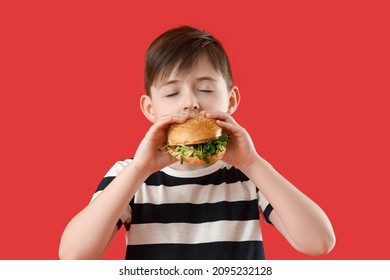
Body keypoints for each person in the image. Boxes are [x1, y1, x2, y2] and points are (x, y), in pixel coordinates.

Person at [59, 25, 336, 260]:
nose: (190, 102)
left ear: (231, 100)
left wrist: (252, 163)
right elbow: (73, 255)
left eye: (205, 89)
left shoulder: (247, 175)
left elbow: (319, 242)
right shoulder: (129, 175)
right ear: (149, 109)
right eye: (172, 92)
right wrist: (139, 171)